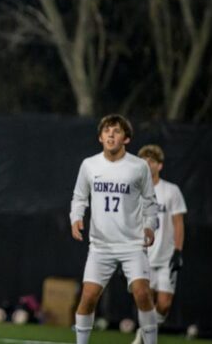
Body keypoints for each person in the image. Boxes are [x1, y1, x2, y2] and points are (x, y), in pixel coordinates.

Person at [70, 114, 159, 344]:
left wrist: (150, 226)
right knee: (88, 297)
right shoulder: (89, 165)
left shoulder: (138, 167)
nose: (111, 134)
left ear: (126, 138)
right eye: (107, 131)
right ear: (100, 137)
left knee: (142, 293)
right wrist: (76, 217)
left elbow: (150, 202)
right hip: (101, 245)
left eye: (116, 131)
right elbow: (79, 197)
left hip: (132, 243)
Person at [130, 145, 187, 344]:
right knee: (144, 302)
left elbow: (178, 223)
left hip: (165, 257)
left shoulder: (171, 191)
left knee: (163, 304)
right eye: (144, 160)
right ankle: (144, 336)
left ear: (159, 166)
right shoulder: (133, 193)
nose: (148, 164)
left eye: (152, 161)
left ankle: (143, 333)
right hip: (142, 257)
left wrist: (178, 251)